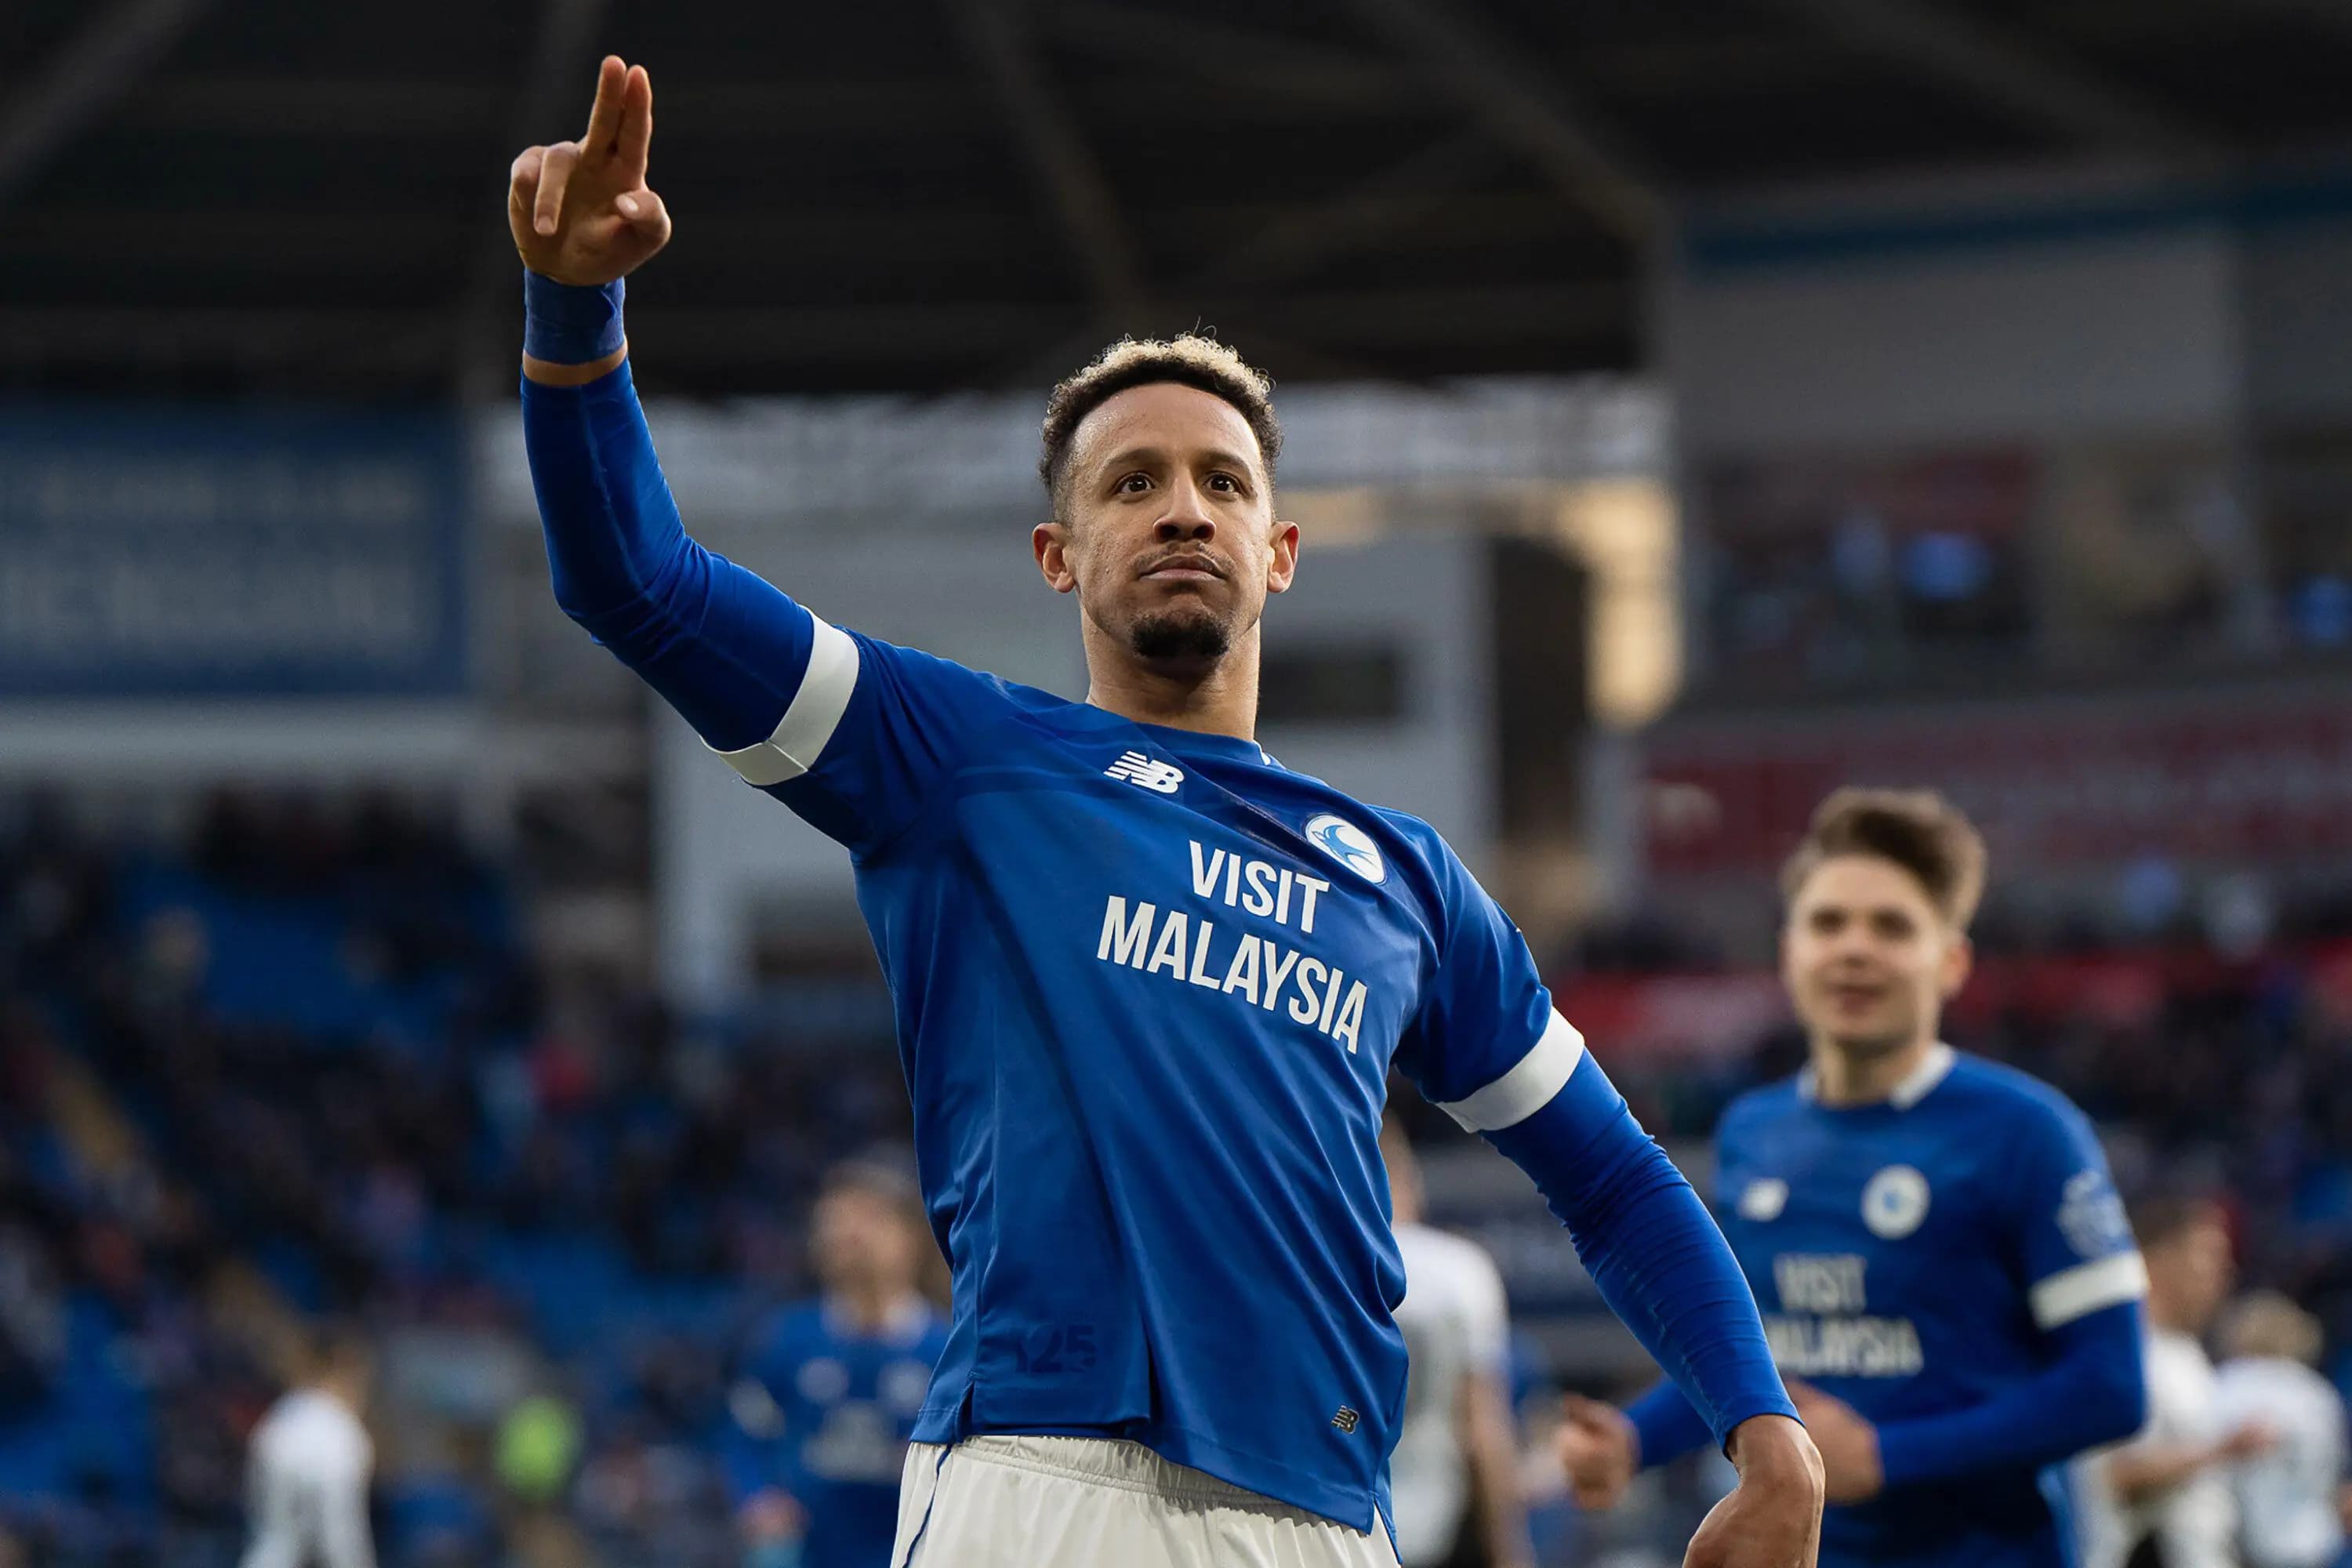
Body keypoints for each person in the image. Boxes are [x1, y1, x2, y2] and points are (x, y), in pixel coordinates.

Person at [507, 56, 1820, 1568]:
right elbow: (637, 583)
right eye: (1132, 484)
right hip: (1046, 1481)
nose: (1185, 507)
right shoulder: (962, 757)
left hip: (1327, 1520)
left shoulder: (1406, 881)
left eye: (1222, 482)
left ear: (1281, 552)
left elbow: (1615, 1177)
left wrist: (1761, 1424)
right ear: (1060, 555)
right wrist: (574, 315)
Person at [1560, 788, 2149, 1568]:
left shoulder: (2030, 1131)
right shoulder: (1753, 1131)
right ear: (1790, 950)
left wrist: (1887, 1455)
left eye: (1892, 926)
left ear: (1952, 962)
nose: (1854, 948)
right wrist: (1633, 1439)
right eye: (1829, 922)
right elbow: (1756, 1353)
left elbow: (2112, 1386)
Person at [726, 1163, 951, 1568]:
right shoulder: (787, 1339)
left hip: (912, 1551)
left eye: (870, 1218)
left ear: (912, 1238)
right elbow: (744, 1434)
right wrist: (758, 1496)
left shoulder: (946, 1350)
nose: (851, 1234)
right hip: (809, 1552)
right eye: (836, 1220)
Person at [2075, 1198, 2273, 1568]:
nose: (2224, 1270)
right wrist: (2224, 1449)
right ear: (2158, 1258)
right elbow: (2114, 1476)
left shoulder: (2185, 1352)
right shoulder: (2127, 1355)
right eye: (2208, 1255)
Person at [1381, 1115, 1534, 1568]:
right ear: (1408, 1176)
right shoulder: (1458, 1270)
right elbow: (1483, 1428)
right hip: (1434, 1527)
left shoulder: (1316, 1273)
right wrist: (1509, 1552)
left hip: (1335, 1527)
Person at [2212, 1291, 2347, 1568]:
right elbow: (2331, 1473)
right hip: (2314, 1544)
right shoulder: (2318, 1394)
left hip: (2239, 1546)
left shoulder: (2225, 1385)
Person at [239, 1330, 376, 1568]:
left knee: (275, 1541)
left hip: (276, 1458)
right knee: (340, 1541)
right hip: (330, 1466)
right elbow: (341, 1533)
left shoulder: (286, 1410)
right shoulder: (343, 1426)